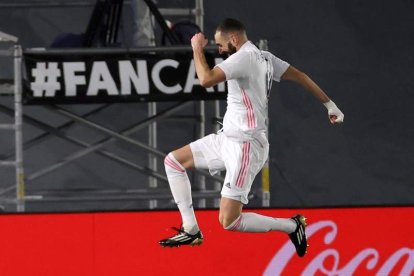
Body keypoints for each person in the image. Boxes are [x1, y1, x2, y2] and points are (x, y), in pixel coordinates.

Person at [159, 18, 344, 257]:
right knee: (173, 161)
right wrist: (330, 105)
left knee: (228, 221)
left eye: (221, 45)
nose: (220, 50)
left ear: (234, 39)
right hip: (227, 139)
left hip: (245, 146)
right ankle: (191, 229)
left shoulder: (243, 58)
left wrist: (196, 47)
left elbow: (205, 79)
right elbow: (301, 76)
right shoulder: (265, 58)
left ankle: (292, 225)